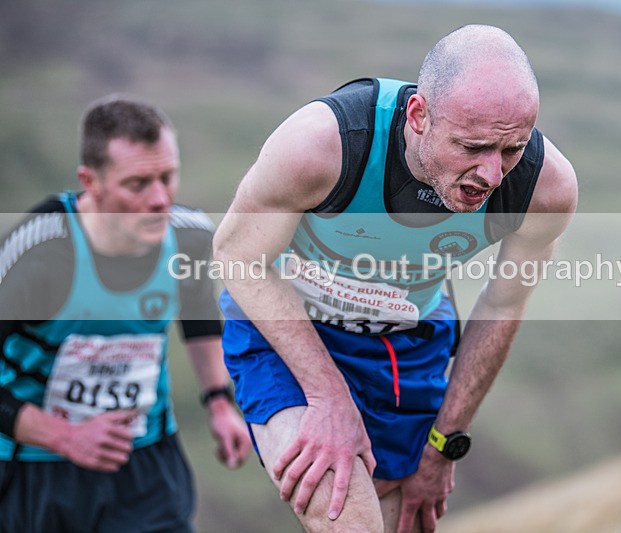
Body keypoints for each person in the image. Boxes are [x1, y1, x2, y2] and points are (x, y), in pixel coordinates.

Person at [214, 24, 577, 533]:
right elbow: (235, 256)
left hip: (406, 345)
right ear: (419, 116)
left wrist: (445, 445)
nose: (492, 175)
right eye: (472, 147)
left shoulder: (545, 189)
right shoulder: (323, 145)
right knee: (343, 514)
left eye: (511, 149)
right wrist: (327, 395)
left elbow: (503, 305)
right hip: (288, 329)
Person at [0, 95, 251, 532]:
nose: (159, 199)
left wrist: (218, 401)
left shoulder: (189, 237)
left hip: (145, 464)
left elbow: (196, 310)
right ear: (90, 181)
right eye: (137, 184)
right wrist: (67, 436)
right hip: (36, 471)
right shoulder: (40, 251)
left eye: (168, 177)